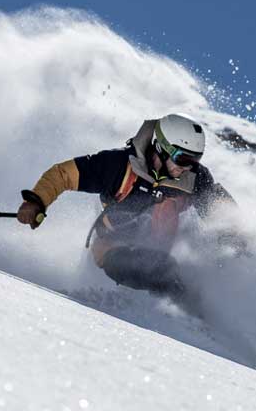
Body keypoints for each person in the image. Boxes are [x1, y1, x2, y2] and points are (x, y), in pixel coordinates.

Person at [16, 113, 236, 299]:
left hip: (161, 248)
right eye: (182, 159)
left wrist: (235, 238)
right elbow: (63, 175)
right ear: (161, 148)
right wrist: (36, 201)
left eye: (195, 160)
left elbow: (220, 206)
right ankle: (167, 299)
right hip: (113, 244)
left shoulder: (194, 178)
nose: (188, 167)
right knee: (152, 266)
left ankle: (196, 314)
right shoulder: (118, 166)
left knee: (168, 221)